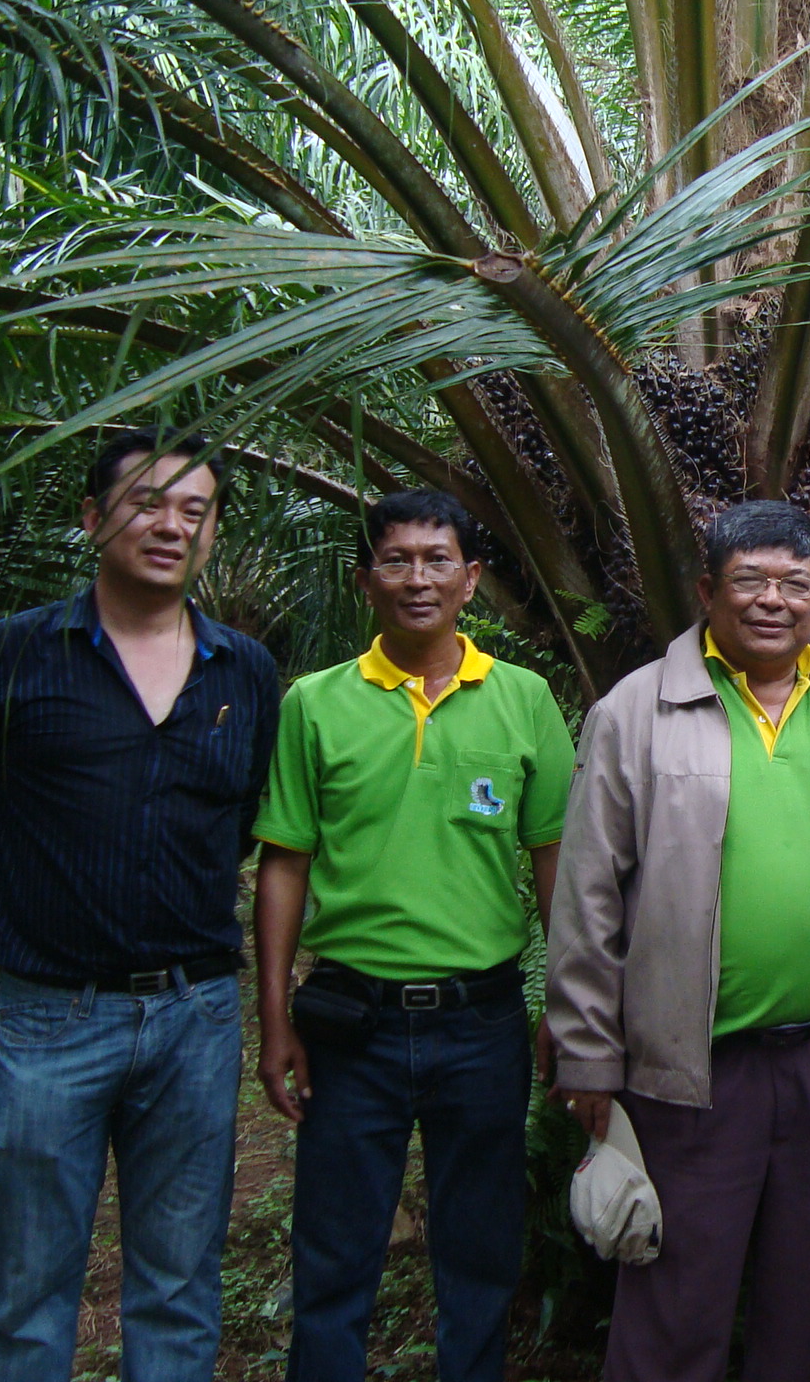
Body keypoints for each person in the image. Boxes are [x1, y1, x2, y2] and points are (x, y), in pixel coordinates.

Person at [0, 429, 280, 1382]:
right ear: (93, 518)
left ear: (210, 534)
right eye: (147, 502)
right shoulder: (9, 655)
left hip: (196, 1016)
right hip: (50, 1015)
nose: (171, 525)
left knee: (178, 1283)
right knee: (29, 1286)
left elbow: (241, 820)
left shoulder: (243, 671)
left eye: (194, 510)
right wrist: (40, 912)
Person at [544, 501, 810, 1382]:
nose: (771, 600)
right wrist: (586, 1057)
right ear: (708, 591)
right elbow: (587, 897)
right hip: (690, 1073)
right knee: (675, 1304)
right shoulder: (637, 711)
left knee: (802, 1296)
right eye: (749, 580)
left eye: (792, 584)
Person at [253, 489, 574, 1382]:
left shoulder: (523, 700)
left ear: (471, 580)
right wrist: (275, 1018)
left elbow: (555, 861)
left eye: (438, 560)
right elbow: (284, 862)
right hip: (350, 1019)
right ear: (366, 582)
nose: (417, 578)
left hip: (483, 1020)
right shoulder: (315, 705)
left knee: (479, 1249)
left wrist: (564, 1005)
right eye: (396, 560)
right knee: (335, 1249)